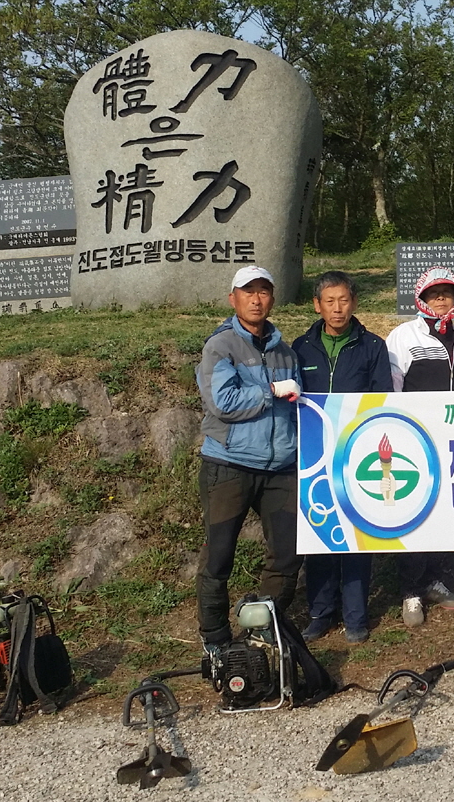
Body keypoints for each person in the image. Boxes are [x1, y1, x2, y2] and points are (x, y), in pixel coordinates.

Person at [195, 265, 302, 660]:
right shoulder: (220, 347)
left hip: (281, 468)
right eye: (248, 292)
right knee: (219, 556)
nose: (257, 299)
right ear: (233, 299)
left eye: (264, 291)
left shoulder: (284, 350)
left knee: (288, 554)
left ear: (273, 298)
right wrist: (272, 389)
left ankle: (263, 627)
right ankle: (216, 638)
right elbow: (222, 403)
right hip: (229, 465)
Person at [292, 271, 393, 645]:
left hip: (356, 452)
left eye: (344, 300)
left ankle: (356, 616)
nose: (338, 308)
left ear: (354, 302)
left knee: (355, 533)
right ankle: (319, 613)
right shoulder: (300, 348)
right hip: (313, 458)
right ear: (317, 305)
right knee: (320, 532)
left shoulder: (372, 346)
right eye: (329, 301)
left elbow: (383, 397)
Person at [384, 266, 454, 626]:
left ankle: (434, 579)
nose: (440, 300)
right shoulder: (403, 336)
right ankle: (410, 590)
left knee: (440, 515)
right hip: (414, 441)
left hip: (452, 441)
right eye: (434, 294)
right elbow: (392, 388)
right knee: (413, 513)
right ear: (421, 297)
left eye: (447, 294)